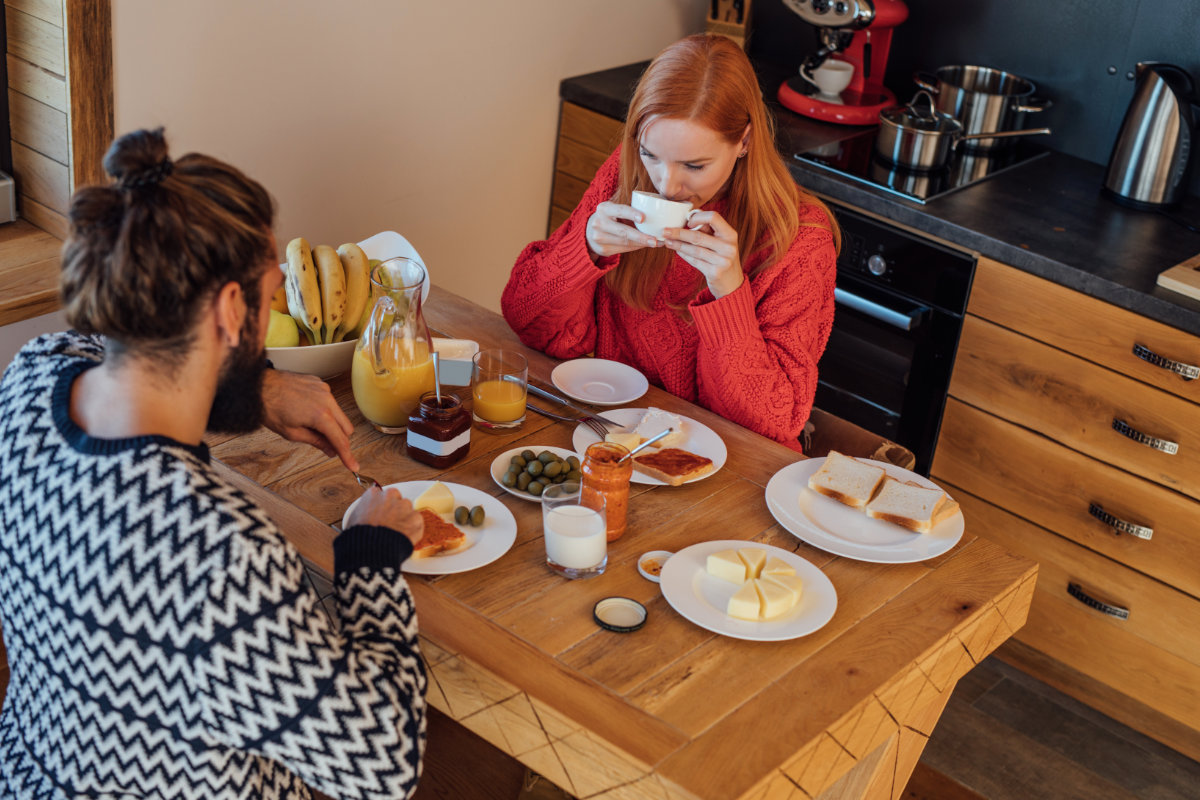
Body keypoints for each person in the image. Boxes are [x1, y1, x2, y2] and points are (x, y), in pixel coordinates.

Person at [0, 128, 427, 799]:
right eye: (269, 292)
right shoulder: (219, 555)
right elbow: (383, 765)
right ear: (232, 309)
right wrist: (370, 555)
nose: (278, 307)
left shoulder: (27, 387)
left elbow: (87, 346)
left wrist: (259, 388)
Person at [502, 34, 839, 452]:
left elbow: (773, 422)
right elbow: (527, 322)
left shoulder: (800, 237)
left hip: (731, 468)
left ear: (744, 142)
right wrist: (585, 249)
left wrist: (729, 292)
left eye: (694, 165)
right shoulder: (626, 178)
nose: (666, 184)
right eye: (650, 154)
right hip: (616, 438)